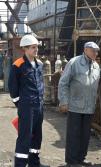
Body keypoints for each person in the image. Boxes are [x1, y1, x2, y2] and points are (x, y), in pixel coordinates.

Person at [58, 41, 100, 167]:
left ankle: (81, 158)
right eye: (93, 50)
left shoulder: (96, 66)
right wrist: (64, 101)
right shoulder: (74, 62)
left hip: (89, 107)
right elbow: (63, 83)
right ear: (85, 50)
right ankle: (71, 161)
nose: (95, 53)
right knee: (73, 135)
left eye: (96, 51)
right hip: (75, 106)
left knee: (85, 135)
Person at [8, 34, 44, 167]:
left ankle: (34, 163)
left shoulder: (39, 64)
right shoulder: (18, 65)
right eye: (33, 47)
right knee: (25, 137)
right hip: (27, 107)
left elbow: (40, 85)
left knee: (37, 136)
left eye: (36, 47)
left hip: (39, 106)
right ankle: (21, 164)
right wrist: (21, 104)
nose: (36, 50)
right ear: (25, 49)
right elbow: (13, 88)